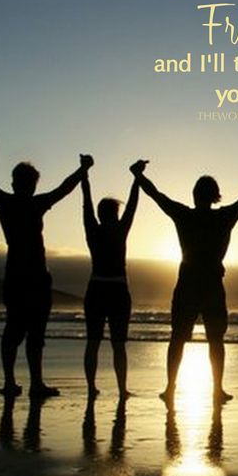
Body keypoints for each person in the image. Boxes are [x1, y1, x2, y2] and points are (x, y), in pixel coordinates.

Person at [137, 162, 238, 406]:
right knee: (214, 339)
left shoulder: (185, 215)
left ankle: (171, 388)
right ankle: (215, 389)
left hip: (189, 283)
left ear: (195, 195)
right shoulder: (223, 216)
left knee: (179, 337)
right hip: (210, 284)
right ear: (215, 196)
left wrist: (139, 175)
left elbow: (157, 196)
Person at [0, 149, 94, 398]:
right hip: (31, 276)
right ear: (27, 184)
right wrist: (83, 169)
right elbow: (64, 189)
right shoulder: (29, 203)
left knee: (19, 329)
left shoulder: (7, 201)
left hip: (21, 276)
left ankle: (18, 382)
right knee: (29, 332)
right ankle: (28, 383)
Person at [81, 160, 145, 400]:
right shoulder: (119, 229)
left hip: (97, 288)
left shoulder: (93, 229)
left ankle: (92, 388)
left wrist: (85, 175)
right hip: (116, 289)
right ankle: (121, 389)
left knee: (94, 342)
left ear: (100, 214)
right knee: (117, 343)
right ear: (115, 214)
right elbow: (133, 207)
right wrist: (137, 177)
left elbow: (86, 203)